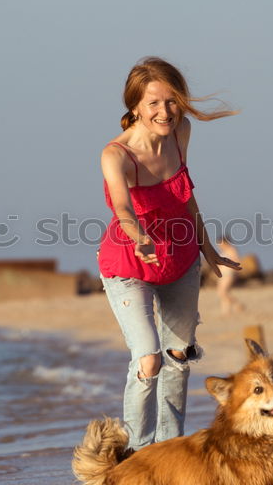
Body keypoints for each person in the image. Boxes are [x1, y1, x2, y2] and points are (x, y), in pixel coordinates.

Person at [97, 57, 241, 450]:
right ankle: (138, 456)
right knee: (149, 360)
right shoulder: (116, 155)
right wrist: (137, 235)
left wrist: (207, 248)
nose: (165, 112)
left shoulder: (182, 133)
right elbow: (123, 208)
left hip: (180, 260)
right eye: (154, 103)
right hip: (130, 262)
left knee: (177, 356)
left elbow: (186, 195)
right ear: (135, 107)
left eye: (172, 101)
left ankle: (170, 450)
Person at [215, 237, 245, 315]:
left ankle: (237, 304)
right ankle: (226, 311)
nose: (219, 246)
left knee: (223, 292)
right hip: (222, 274)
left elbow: (237, 261)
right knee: (221, 293)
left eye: (220, 243)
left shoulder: (232, 250)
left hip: (229, 274)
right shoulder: (223, 251)